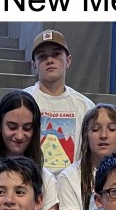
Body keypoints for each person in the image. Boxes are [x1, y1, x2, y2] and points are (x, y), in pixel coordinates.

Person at [25, 29, 95, 175]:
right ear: (34, 65)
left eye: (56, 54)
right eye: (42, 56)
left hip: (72, 183)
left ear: (68, 60)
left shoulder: (85, 106)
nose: (49, 60)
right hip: (31, 180)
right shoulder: (23, 100)